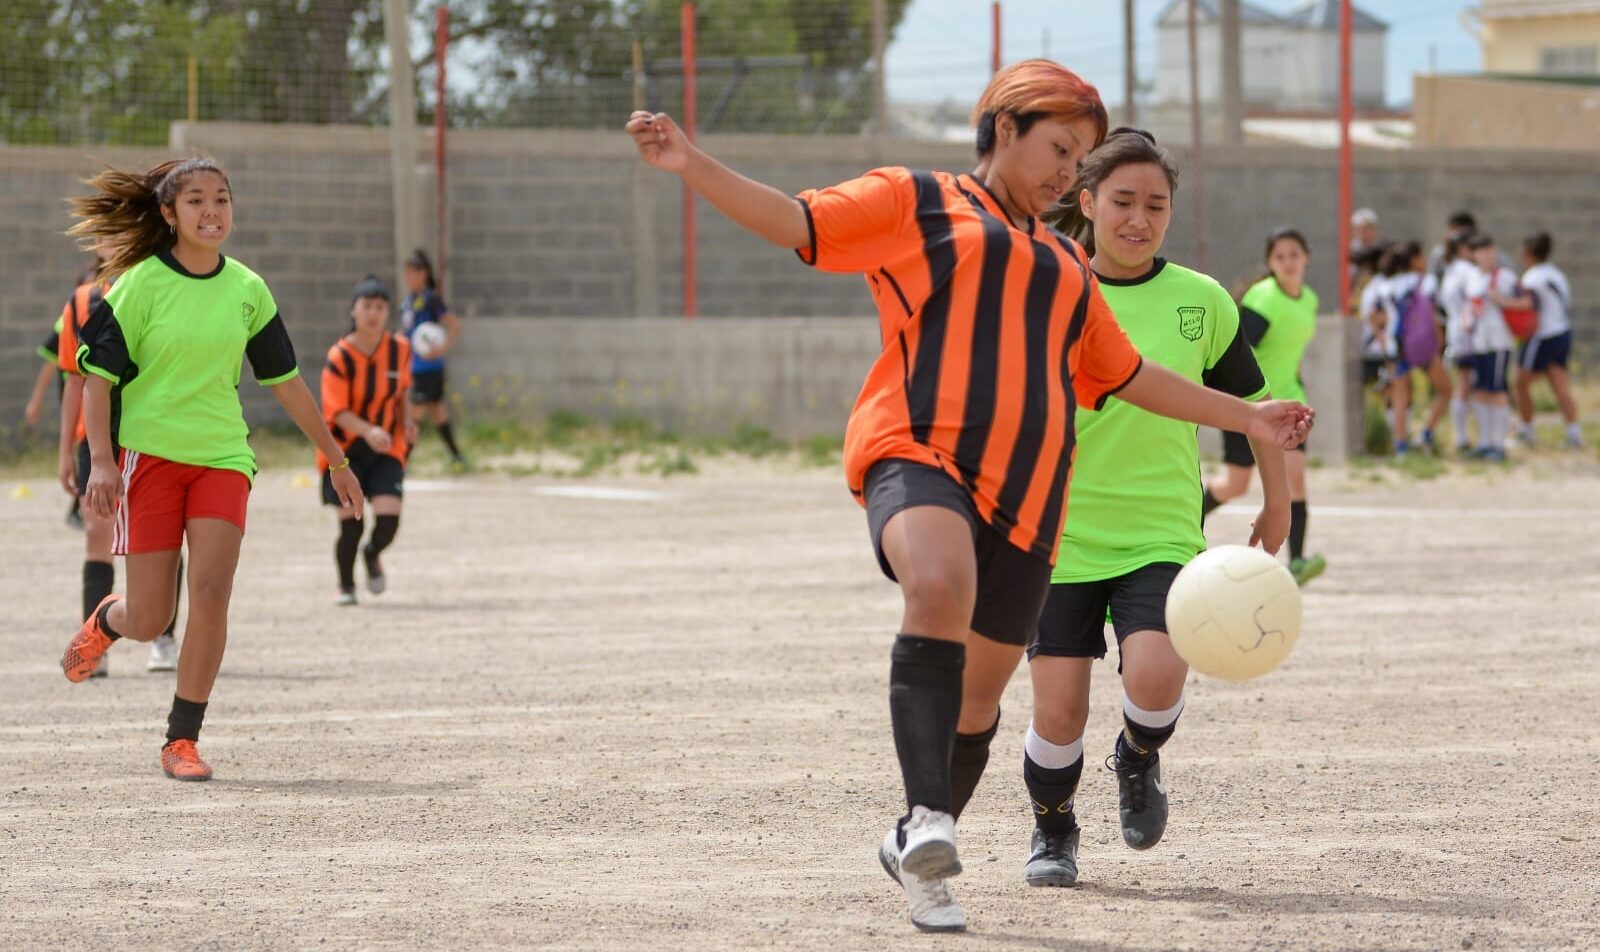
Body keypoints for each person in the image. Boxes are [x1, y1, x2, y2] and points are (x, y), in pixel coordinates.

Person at [626, 59, 1312, 934]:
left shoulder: (1067, 265)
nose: (1070, 171)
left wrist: (1248, 413)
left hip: (1028, 494)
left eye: (1082, 155)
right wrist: (692, 163)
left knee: (981, 699)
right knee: (939, 585)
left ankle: (916, 834)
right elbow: (799, 222)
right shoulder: (916, 202)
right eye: (1059, 148)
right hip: (916, 450)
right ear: (1002, 130)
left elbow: (1132, 376)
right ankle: (932, 828)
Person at [1021, 129, 1290, 888]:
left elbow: (1257, 407)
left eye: (1156, 205)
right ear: (1087, 203)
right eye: (1123, 202)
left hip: (1160, 531)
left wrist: (1279, 506)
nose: (1139, 219)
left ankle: (1137, 759)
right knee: (1059, 713)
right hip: (1058, 536)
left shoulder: (1202, 302)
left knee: (1157, 677)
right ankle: (1053, 829)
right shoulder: (1050, 290)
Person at [60, 157, 363, 782]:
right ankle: (106, 621)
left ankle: (181, 740)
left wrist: (337, 460)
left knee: (212, 593)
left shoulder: (248, 289)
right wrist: (100, 463)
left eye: (222, 200)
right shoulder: (138, 285)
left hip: (223, 457)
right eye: (196, 201)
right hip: (150, 458)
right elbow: (96, 379)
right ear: (168, 214)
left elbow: (287, 382)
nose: (211, 212)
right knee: (150, 618)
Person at [53, 251, 184, 675]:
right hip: (97, 440)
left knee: (164, 539)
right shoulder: (82, 301)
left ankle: (163, 637)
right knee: (97, 534)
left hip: (153, 436)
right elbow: (76, 381)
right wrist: (64, 453)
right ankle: (97, 644)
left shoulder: (166, 291)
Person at [1203, 228, 1325, 587]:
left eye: (1294, 255)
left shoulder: (1310, 300)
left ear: (1307, 258)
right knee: (1235, 485)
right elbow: (1236, 349)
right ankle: (1180, 530)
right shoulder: (1264, 299)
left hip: (1288, 406)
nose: (1288, 262)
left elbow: (1291, 352)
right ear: (1271, 263)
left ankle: (1298, 562)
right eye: (1280, 257)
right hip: (1249, 404)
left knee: (1296, 478)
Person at [320, 275, 415, 605]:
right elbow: (337, 412)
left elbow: (401, 394)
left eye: (380, 307)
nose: (373, 313)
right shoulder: (340, 357)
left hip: (387, 446)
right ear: (354, 311)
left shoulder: (400, 350)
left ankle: (372, 554)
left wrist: (408, 422)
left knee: (389, 519)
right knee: (351, 524)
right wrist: (368, 431)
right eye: (367, 306)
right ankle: (345, 585)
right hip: (344, 450)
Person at [1509, 232, 1580, 449]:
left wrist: (1500, 300)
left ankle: (1527, 430)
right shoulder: (1556, 274)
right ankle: (1573, 434)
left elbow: (1528, 305)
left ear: (1529, 253)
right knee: (1560, 385)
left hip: (1543, 336)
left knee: (1520, 383)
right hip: (1562, 332)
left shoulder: (1533, 276)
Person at [1384, 242, 1453, 456]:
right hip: (1422, 346)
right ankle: (1426, 433)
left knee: (1400, 398)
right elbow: (1432, 316)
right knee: (1446, 390)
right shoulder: (1427, 281)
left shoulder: (1388, 284)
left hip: (1396, 345)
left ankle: (1401, 446)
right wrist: (1439, 340)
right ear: (1414, 259)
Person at [399, 249, 466, 469]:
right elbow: (408, 333)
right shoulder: (409, 301)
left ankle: (402, 460)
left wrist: (443, 347)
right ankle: (456, 456)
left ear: (424, 273)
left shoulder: (431, 299)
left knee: (415, 411)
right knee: (437, 411)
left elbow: (454, 324)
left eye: (413, 272)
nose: (409, 277)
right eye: (406, 272)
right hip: (414, 366)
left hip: (429, 366)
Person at [1464, 234, 1517, 462]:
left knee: (1497, 391)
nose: (1485, 255)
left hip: (1499, 340)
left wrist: (1501, 299)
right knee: (1481, 391)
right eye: (1480, 251)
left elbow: (1525, 303)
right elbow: (1470, 305)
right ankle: (1485, 442)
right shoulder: (1473, 277)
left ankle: (1499, 443)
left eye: (1488, 250)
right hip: (1479, 341)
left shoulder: (1505, 276)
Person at [1437, 233, 1479, 454]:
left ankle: (1462, 435)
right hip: (1470, 333)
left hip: (1455, 332)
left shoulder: (1449, 271)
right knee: (1470, 385)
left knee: (1463, 384)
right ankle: (1465, 438)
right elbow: (1475, 299)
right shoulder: (1468, 271)